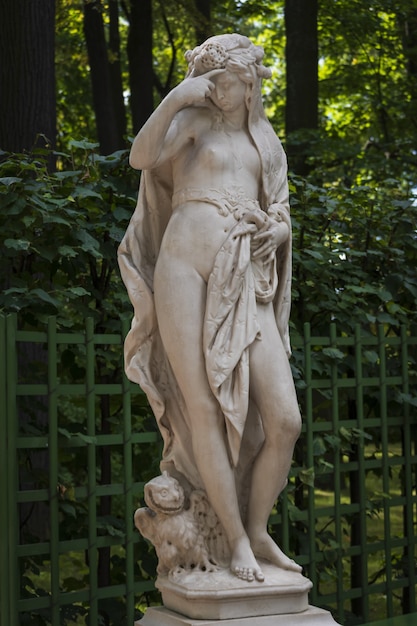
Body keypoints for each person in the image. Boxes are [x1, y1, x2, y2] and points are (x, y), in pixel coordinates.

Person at [118, 33, 302, 583]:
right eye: (209, 78)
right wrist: (177, 96)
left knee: (285, 420)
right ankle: (237, 541)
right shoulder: (191, 124)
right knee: (202, 408)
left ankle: (258, 526)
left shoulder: (266, 144)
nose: (216, 89)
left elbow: (284, 213)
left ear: (250, 85)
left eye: (225, 80)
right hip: (182, 267)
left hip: (243, 278)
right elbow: (141, 157)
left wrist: (279, 228)